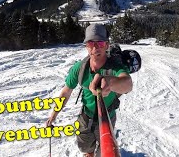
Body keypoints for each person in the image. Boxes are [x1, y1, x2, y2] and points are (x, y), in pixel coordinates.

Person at [46, 24, 133, 157]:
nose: (95, 47)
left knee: (103, 151)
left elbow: (127, 84)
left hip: (107, 116)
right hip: (86, 116)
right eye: (91, 43)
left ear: (107, 45)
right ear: (86, 46)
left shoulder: (115, 67)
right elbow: (66, 92)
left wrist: (109, 82)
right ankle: (89, 153)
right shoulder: (80, 68)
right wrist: (53, 115)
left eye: (100, 42)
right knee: (85, 146)